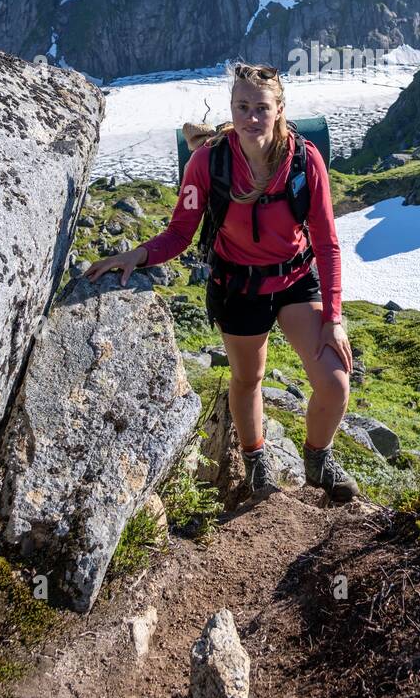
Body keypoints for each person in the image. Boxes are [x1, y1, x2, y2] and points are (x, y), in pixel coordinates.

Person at [84, 60, 359, 503]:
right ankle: (255, 463)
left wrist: (334, 318)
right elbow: (180, 232)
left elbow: (326, 243)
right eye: (242, 106)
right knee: (248, 378)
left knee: (334, 380)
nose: (251, 117)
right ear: (231, 108)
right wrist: (138, 254)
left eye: (261, 108)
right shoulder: (206, 162)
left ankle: (317, 459)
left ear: (280, 108)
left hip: (294, 278)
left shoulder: (305, 161)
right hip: (238, 286)